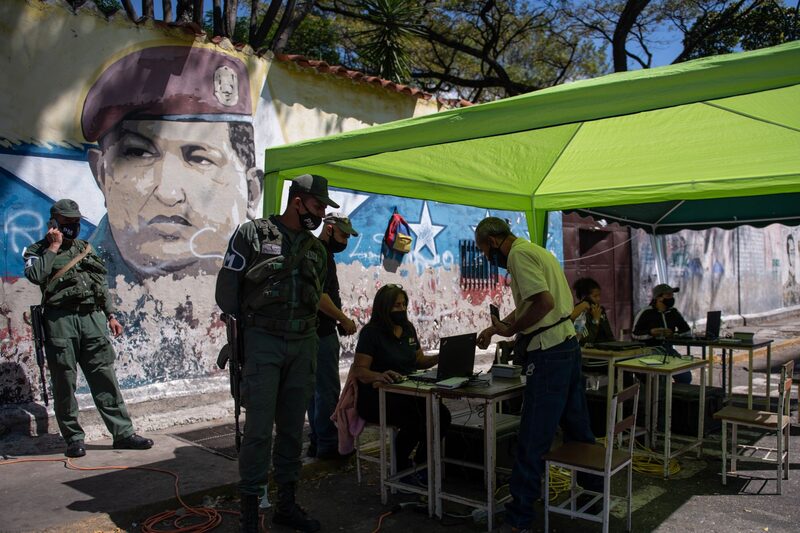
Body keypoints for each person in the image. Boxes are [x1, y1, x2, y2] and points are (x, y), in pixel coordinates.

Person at [216, 174, 336, 533]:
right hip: (263, 343)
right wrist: (250, 336)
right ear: (298, 201)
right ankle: (251, 514)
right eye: (317, 206)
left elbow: (317, 298)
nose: (320, 214)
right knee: (257, 432)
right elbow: (227, 293)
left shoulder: (316, 250)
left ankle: (286, 504)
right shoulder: (252, 234)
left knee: (291, 430)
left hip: (303, 344)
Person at [83, 45, 263, 281]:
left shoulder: (270, 280)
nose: (168, 193)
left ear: (252, 192)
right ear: (101, 175)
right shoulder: (73, 285)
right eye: (138, 153)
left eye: (200, 158)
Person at [474, 217, 597, 533]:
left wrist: (513, 329)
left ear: (494, 240)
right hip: (566, 344)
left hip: (549, 352)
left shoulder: (517, 255)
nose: (488, 258)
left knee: (533, 436)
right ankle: (594, 497)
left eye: (485, 250)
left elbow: (544, 302)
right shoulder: (537, 251)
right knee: (577, 425)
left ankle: (519, 519)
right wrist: (497, 328)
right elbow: (533, 301)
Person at [22, 199, 153, 458]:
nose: (73, 227)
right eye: (67, 223)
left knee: (104, 377)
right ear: (54, 223)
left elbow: (99, 283)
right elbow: (36, 276)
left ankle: (123, 433)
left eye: (76, 222)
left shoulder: (86, 248)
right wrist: (54, 246)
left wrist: (111, 315)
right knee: (65, 381)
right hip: (61, 321)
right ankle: (73, 438)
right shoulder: (36, 250)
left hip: (92, 319)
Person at [350, 284, 450, 478]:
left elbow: (419, 360)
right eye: (397, 305)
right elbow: (359, 370)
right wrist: (378, 375)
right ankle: (401, 468)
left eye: (404, 304)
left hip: (409, 392)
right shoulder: (371, 333)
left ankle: (421, 464)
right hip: (377, 397)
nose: (402, 309)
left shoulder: (407, 329)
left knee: (442, 415)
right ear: (384, 307)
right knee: (416, 419)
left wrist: (442, 356)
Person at [306, 214, 359, 460]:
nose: (345, 240)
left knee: (314, 391)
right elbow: (319, 297)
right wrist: (344, 319)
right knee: (326, 390)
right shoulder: (321, 254)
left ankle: (318, 441)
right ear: (329, 229)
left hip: (312, 332)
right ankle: (327, 444)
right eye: (343, 235)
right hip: (321, 332)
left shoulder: (314, 252)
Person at [632, 284, 692, 384]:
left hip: (668, 350)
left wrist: (673, 334)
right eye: (668, 295)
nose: (671, 298)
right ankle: (660, 397)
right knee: (660, 378)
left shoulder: (673, 312)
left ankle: (676, 397)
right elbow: (635, 334)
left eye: (672, 295)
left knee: (685, 377)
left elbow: (686, 331)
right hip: (648, 351)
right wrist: (651, 333)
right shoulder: (645, 312)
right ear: (658, 297)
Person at [570, 277, 615, 347]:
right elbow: (587, 341)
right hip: (589, 354)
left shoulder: (600, 310)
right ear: (584, 297)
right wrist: (595, 320)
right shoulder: (579, 314)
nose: (598, 299)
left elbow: (609, 336)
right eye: (595, 296)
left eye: (599, 295)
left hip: (605, 351)